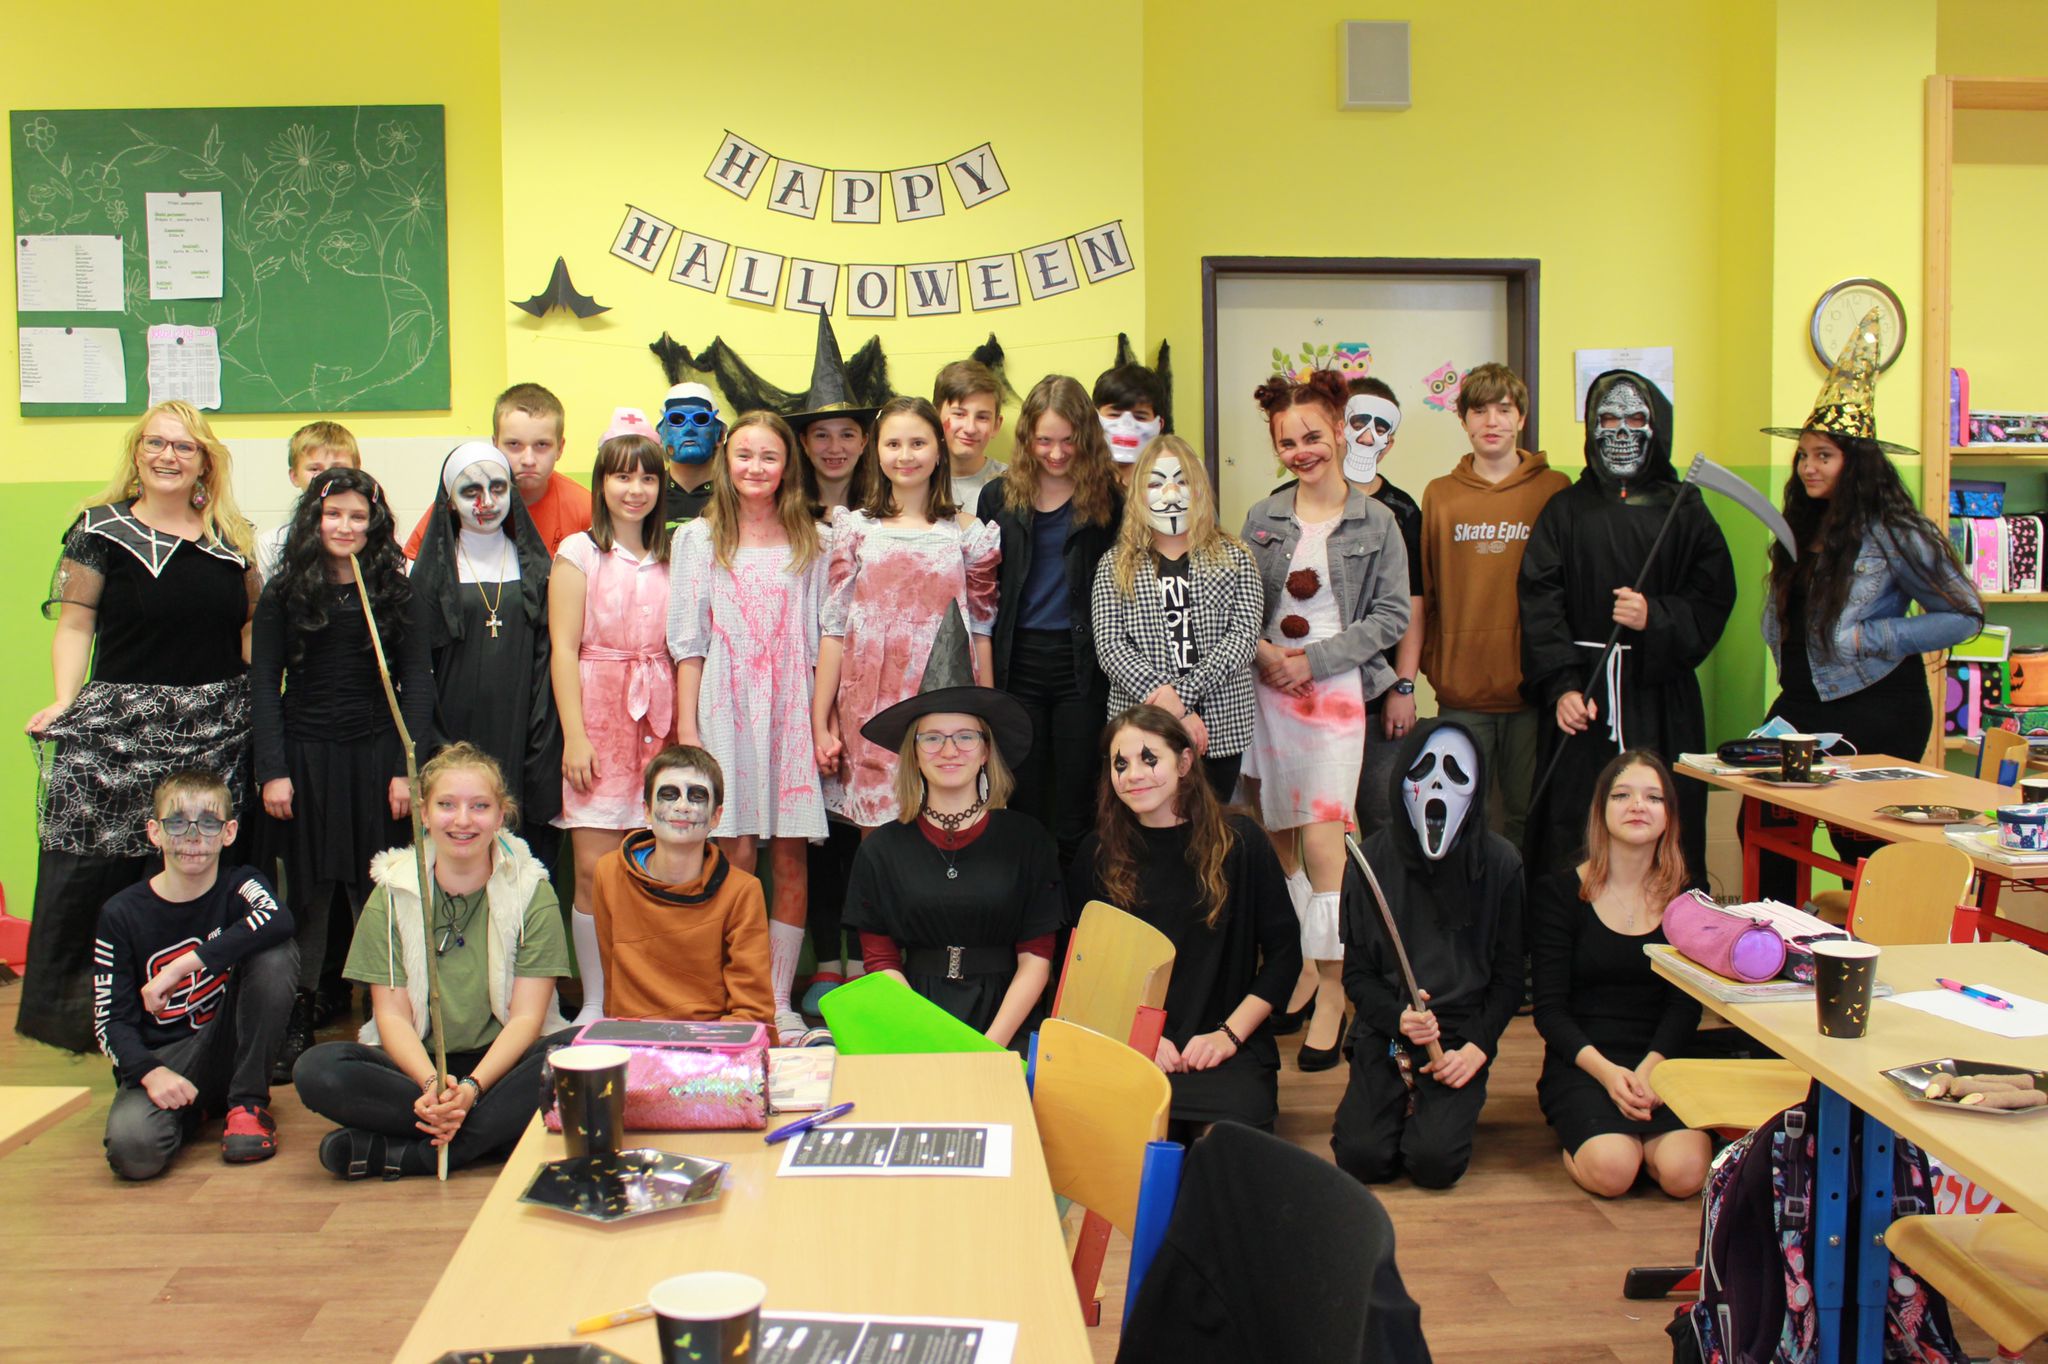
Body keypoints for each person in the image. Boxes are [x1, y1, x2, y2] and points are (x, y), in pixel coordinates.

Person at [22, 400, 260, 1054]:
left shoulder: (233, 539)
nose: (167, 456)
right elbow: (75, 625)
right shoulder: (97, 530)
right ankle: (107, 1026)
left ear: (205, 461)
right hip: (119, 733)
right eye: (155, 443)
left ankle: (203, 1026)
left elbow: (249, 629)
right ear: (136, 452)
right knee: (99, 872)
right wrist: (65, 701)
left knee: (200, 874)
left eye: (183, 446)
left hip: (216, 735)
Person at [1754, 310, 1983, 899]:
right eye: (1803, 455)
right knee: (1765, 820)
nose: (1808, 467)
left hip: (1876, 706)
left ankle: (1879, 936)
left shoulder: (1896, 530)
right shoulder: (1801, 527)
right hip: (1803, 703)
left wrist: (1871, 636)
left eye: (1823, 456)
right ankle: (1774, 933)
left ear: (1854, 464)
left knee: (1858, 839)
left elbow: (1965, 614)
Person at [294, 743, 572, 1180]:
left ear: (501, 815)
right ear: (423, 813)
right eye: (446, 805)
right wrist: (432, 1086)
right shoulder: (392, 892)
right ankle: (491, 1135)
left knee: (580, 1051)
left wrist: (472, 1089)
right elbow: (392, 1015)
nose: (463, 820)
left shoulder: (532, 891)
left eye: (479, 806)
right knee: (317, 1070)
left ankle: (412, 1155)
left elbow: (526, 1018)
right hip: (417, 1071)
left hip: (501, 1068)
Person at [1239, 370, 1411, 1071]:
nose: (1302, 451)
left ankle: (1337, 990)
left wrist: (1310, 661)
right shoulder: (1263, 517)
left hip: (1334, 695)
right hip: (1265, 692)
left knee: (1325, 842)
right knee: (1277, 839)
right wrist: (1266, 654)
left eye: (1312, 436)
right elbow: (1239, 601)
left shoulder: (1379, 522)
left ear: (1339, 431)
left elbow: (1392, 617)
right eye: (1288, 442)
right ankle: (1309, 964)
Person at [1519, 370, 1735, 879]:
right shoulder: (1566, 510)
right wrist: (1561, 686)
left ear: (1657, 427)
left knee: (1660, 815)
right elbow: (1539, 599)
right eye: (1608, 418)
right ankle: (1569, 925)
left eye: (1635, 419)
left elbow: (1713, 596)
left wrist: (1655, 615)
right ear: (1591, 427)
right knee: (1574, 821)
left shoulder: (1685, 510)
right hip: (1585, 695)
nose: (1620, 431)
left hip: (1659, 696)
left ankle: (1665, 921)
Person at [252, 466, 429, 1076]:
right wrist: (273, 770)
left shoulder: (395, 592)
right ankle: (296, 1009)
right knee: (306, 893)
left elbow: (417, 683)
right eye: (334, 515)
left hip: (377, 757)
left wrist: (408, 771)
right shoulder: (284, 592)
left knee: (377, 888)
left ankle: (389, 1014)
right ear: (314, 519)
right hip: (304, 757)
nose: (346, 526)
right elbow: (264, 685)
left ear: (374, 523)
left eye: (358, 516)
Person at [1068, 706, 1301, 1137]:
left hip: (1226, 1045)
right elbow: (1088, 972)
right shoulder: (1096, 853)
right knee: (1118, 1141)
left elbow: (1285, 956)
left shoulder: (1241, 842)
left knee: (1223, 1144)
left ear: (1184, 762)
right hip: (1129, 1044)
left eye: (1149, 758)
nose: (1134, 774)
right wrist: (1138, 1035)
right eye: (1121, 764)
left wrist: (1228, 1036)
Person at [670, 411, 829, 1042]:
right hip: (724, 704)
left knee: (789, 855)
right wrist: (688, 730)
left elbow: (821, 642)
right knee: (732, 851)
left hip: (790, 706)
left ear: (787, 465)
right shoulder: (697, 539)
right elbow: (689, 644)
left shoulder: (812, 538)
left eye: (769, 456)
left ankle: (779, 1000)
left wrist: (821, 722)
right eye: (744, 455)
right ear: (725, 461)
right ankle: (736, 995)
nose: (755, 468)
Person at [840, 610, 1061, 1047]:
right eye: (932, 738)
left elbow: (1037, 958)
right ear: (914, 752)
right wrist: (929, 1038)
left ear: (986, 751)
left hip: (1008, 1025)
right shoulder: (881, 849)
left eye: (965, 736)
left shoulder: (1028, 841)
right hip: (913, 1021)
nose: (949, 750)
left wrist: (989, 1047)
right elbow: (880, 959)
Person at [1332, 720, 1524, 1190]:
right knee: (1362, 1157)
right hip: (1388, 1030)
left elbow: (1509, 979)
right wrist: (1396, 1017)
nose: (1437, 784)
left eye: (1456, 772)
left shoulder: (1501, 864)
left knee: (1434, 1162)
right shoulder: (1369, 861)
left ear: (1477, 787)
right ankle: (1399, 1102)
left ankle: (1429, 1112)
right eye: (1424, 769)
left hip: (1460, 1038)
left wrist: (1477, 1047)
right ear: (1402, 779)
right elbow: (1356, 975)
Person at [95, 771, 297, 1179]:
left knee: (275, 951)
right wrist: (150, 1073)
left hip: (229, 1045)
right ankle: (195, 1108)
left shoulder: (240, 884)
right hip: (166, 1057)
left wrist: (180, 967)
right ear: (154, 832)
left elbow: (278, 918)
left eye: (208, 823)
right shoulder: (120, 913)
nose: (192, 837)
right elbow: (109, 1022)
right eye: (176, 823)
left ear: (228, 832)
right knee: (133, 1152)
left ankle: (247, 1103)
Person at [815, 396, 1001, 830]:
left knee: (947, 819)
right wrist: (820, 720)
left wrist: (988, 716)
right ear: (876, 451)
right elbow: (834, 629)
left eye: (917, 443)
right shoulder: (855, 529)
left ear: (938, 449)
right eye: (893, 444)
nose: (905, 456)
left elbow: (980, 631)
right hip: (868, 701)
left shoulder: (968, 534)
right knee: (876, 827)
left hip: (944, 696)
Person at [1531, 750, 1709, 1199]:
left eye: (1653, 797)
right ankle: (1602, 1140)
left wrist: (1652, 1069)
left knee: (1686, 1174)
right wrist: (1611, 1075)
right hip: (1587, 1062)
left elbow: (1686, 1005)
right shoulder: (1559, 893)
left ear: (1668, 816)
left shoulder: (1689, 899)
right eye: (1622, 795)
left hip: (1662, 1060)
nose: (1637, 806)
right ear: (1601, 810)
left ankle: (1644, 1146)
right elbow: (1549, 1011)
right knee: (1613, 1171)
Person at [551, 415, 675, 1021]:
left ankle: (649, 995)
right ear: (601, 482)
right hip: (599, 717)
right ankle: (596, 1000)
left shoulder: (677, 553)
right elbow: (562, 649)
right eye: (622, 477)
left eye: (647, 478)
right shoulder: (579, 552)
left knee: (660, 864)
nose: (635, 490)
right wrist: (575, 736)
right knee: (593, 870)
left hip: (661, 721)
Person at [1419, 362, 1569, 846]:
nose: (1492, 422)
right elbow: (1427, 590)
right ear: (1463, 420)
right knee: (1464, 814)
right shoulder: (1440, 495)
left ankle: (1521, 898)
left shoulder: (1554, 489)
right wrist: (1435, 664)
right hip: (1461, 690)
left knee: (1530, 815)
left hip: (1532, 688)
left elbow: (1566, 588)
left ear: (1521, 417)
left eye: (1503, 410)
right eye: (1479, 411)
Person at [978, 375, 1122, 863]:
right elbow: (986, 589)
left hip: (1082, 665)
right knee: (1024, 794)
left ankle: (1074, 904)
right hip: (1018, 661)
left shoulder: (1111, 499)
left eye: (1068, 440)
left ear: (1086, 436)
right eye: (1044, 441)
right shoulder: (998, 497)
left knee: (1077, 798)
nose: (1056, 453)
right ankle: (1032, 900)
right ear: (1026, 438)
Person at [413, 441, 564, 869]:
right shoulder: (428, 575)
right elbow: (418, 670)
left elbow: (548, 658)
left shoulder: (537, 567)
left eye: (498, 488)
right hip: (451, 729)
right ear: (449, 501)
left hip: (521, 727)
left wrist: (541, 740)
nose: (486, 502)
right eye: (470, 491)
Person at [1092, 434, 1264, 800]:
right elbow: (1111, 647)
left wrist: (1182, 696)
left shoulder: (1236, 556)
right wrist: (1172, 709)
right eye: (1156, 484)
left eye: (1182, 481)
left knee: (1212, 821)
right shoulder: (1115, 565)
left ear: (1199, 488)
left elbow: (1243, 639)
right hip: (1141, 727)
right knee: (1149, 823)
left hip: (1219, 726)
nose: (1170, 495)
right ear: (1138, 494)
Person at [582, 746, 773, 1025]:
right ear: (647, 811)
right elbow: (614, 990)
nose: (682, 806)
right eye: (669, 794)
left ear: (716, 816)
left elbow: (753, 1011)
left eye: (697, 796)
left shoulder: (742, 891)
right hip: (634, 1039)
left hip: (712, 1041)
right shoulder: (609, 873)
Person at [1341, 378, 1427, 837]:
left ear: (1390, 442)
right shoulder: (1290, 499)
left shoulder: (1402, 510)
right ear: (1340, 427)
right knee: (1313, 820)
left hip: (1379, 696)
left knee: (1383, 818)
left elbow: (1413, 604)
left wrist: (1403, 686)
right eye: (1358, 422)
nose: (1366, 436)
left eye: (1380, 428)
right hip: (1311, 694)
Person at [404, 383, 591, 557]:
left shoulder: (585, 509)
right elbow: (412, 564)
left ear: (560, 448)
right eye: (514, 444)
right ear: (495, 445)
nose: (528, 460)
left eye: (542, 445)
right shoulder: (463, 499)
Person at [256, 421, 360, 582]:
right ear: (294, 476)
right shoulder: (272, 543)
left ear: (357, 472)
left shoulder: (381, 538)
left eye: (338, 468)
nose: (327, 477)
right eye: (314, 469)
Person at [936, 359, 1007, 510]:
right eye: (959, 414)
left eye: (982, 417)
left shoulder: (1013, 485)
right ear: (935, 417)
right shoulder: (916, 481)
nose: (970, 428)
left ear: (996, 425)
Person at [654, 386, 723, 535]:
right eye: (676, 419)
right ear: (660, 434)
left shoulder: (733, 494)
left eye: (701, 419)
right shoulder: (648, 493)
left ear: (720, 435)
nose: (689, 429)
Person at [1095, 360, 1166, 488]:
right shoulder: (1079, 483)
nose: (1126, 425)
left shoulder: (1172, 483)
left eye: (1140, 417)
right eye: (1114, 415)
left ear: (1159, 425)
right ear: (1094, 419)